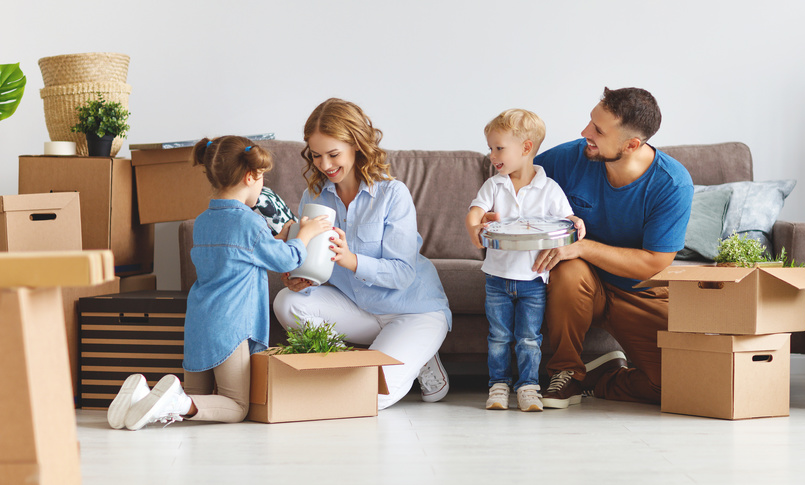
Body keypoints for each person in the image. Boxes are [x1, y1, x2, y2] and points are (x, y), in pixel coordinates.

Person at [108, 136, 332, 430]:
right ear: (249, 176)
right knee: (237, 405)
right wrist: (307, 233)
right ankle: (174, 401)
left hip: (200, 321)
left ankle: (140, 399)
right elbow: (285, 260)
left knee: (198, 399)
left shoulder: (203, 222)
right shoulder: (250, 223)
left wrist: (274, 240)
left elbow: (239, 255)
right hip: (231, 325)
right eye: (261, 178)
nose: (262, 185)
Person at [273, 98, 452, 410]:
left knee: (372, 395)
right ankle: (358, 363)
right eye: (316, 156)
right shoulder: (313, 197)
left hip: (412, 309)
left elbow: (402, 273)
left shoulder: (392, 194)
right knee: (287, 302)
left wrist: (349, 259)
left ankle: (420, 353)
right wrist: (300, 276)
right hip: (359, 310)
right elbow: (316, 265)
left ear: (356, 145)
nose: (324, 165)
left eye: (333, 154)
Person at [530, 87, 694, 408]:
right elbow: (518, 182)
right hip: (579, 282)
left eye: (598, 130)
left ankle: (604, 376)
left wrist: (582, 247)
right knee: (567, 264)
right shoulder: (569, 158)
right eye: (591, 122)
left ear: (631, 144)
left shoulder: (672, 183)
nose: (585, 133)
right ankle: (567, 374)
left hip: (640, 290)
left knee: (677, 384)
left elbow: (653, 262)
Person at [466, 109, 585, 412]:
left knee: (529, 338)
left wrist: (575, 221)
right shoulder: (495, 185)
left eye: (498, 148)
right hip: (496, 277)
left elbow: (565, 219)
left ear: (526, 148)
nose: (492, 155)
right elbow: (476, 211)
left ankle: (529, 386)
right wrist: (474, 226)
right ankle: (498, 385)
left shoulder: (549, 188)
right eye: (490, 148)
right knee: (499, 337)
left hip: (533, 279)